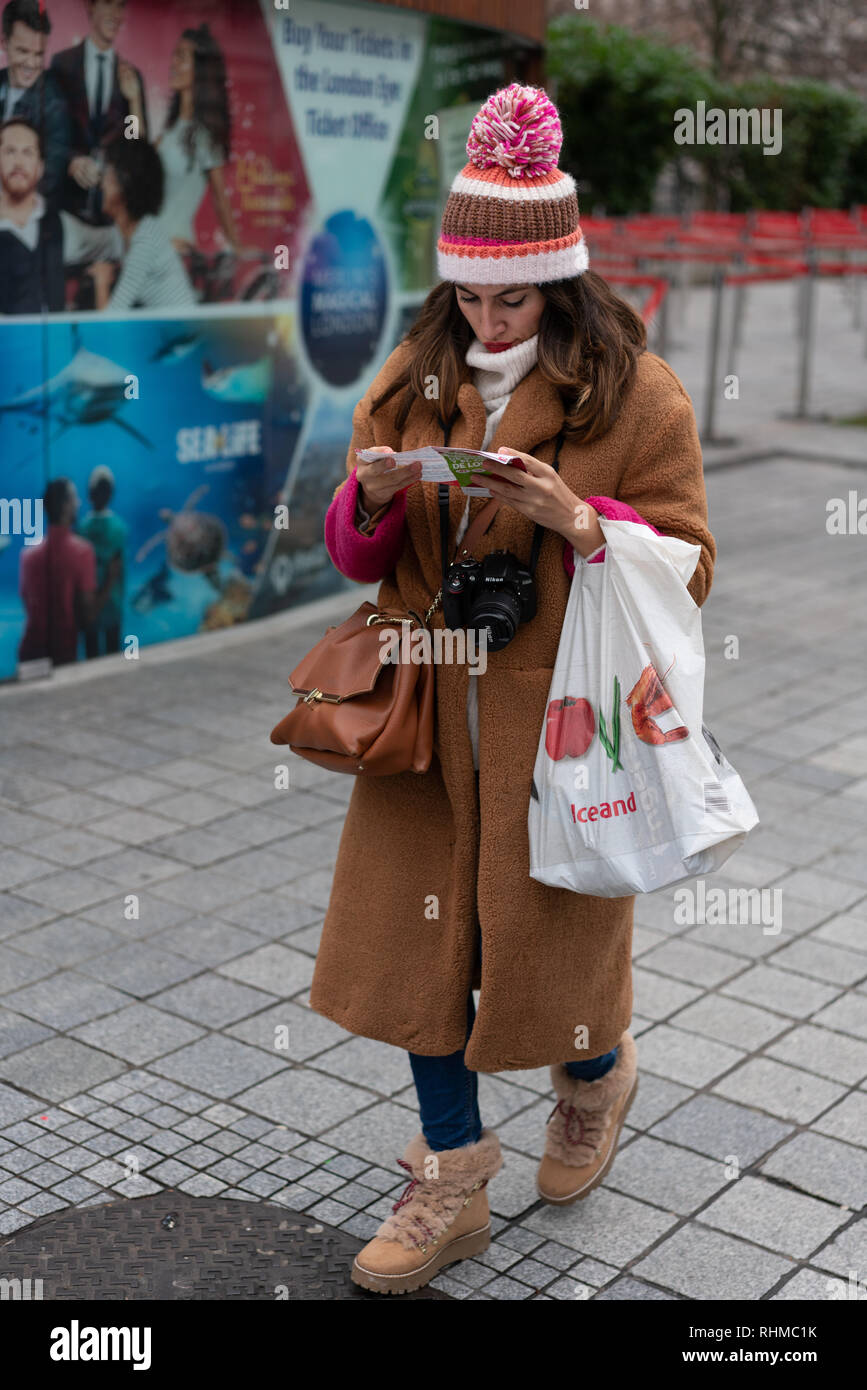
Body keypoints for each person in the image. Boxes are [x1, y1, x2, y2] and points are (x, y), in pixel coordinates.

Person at [315, 84, 716, 1295]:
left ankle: (594, 1081)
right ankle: (452, 1171)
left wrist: (581, 522)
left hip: (567, 728)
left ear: (564, 282)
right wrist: (375, 501)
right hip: (429, 720)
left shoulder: (636, 393)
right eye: (470, 294)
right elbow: (353, 554)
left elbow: (691, 565)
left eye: (516, 295)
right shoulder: (409, 374)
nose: (488, 319)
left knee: (554, 965)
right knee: (419, 960)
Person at [50, 0, 147, 223]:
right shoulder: (62, 64)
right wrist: (70, 161)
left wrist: (133, 102)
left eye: (121, 5)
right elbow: (50, 133)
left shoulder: (130, 76)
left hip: (112, 215)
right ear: (90, 6)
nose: (116, 13)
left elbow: (134, 144)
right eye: (108, 3)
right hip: (67, 211)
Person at [154, 23, 240, 254]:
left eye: (182, 57)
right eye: (174, 55)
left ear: (199, 69)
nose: (173, 63)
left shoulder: (203, 136)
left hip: (174, 252)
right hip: (148, 250)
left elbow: (220, 200)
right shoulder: (168, 131)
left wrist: (238, 250)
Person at [18, 477, 120, 667]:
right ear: (66, 505)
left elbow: (27, 601)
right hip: (62, 654)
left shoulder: (28, 556)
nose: (79, 503)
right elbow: (87, 617)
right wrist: (111, 578)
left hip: (29, 652)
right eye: (74, 498)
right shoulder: (81, 552)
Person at [85, 135, 195, 309]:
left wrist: (101, 282)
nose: (102, 184)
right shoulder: (140, 231)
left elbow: (110, 324)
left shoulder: (145, 241)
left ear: (124, 184)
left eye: (107, 176)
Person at [0, 0, 69, 206]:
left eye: (38, 54)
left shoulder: (54, 103)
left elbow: (51, 177)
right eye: (23, 51)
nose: (31, 64)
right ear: (5, 45)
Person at [0, 117, 63, 311]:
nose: (18, 162)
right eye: (10, 151)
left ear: (40, 167)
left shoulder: (58, 223)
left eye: (27, 153)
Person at [77, 464, 126, 657]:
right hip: (113, 605)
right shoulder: (119, 527)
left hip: (88, 605)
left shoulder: (82, 528)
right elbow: (120, 571)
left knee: (92, 654)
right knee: (112, 656)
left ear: (89, 492)